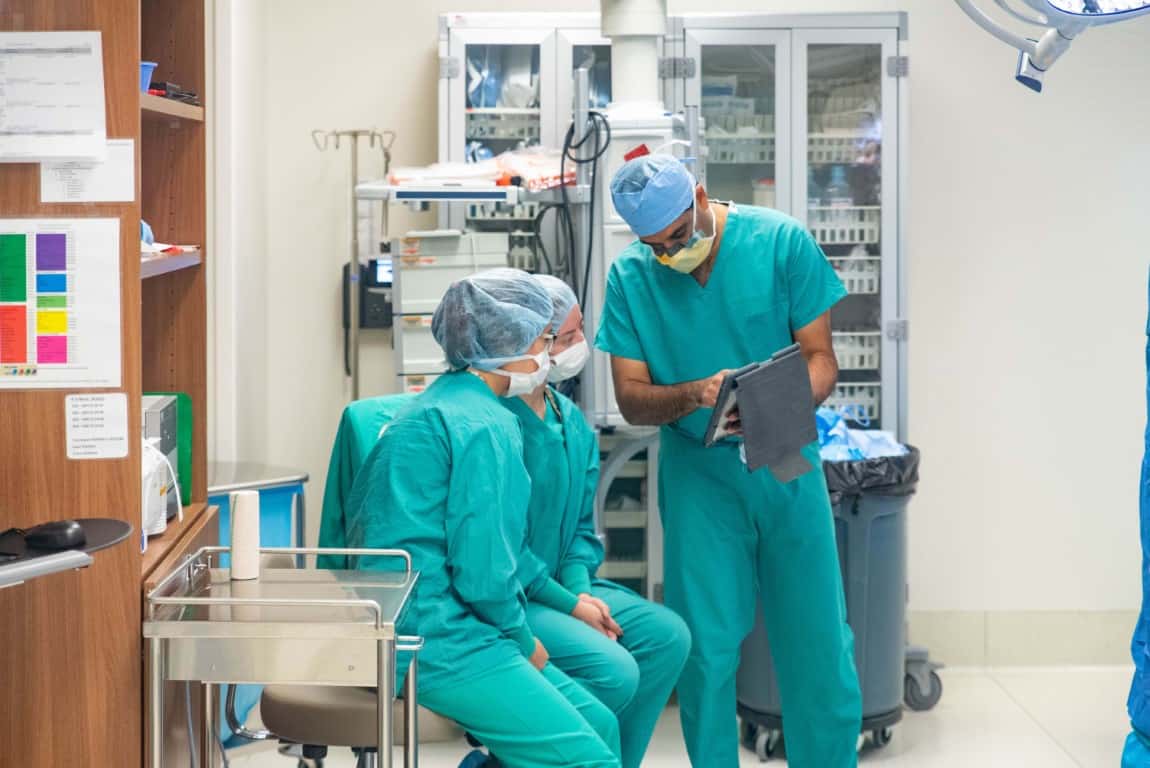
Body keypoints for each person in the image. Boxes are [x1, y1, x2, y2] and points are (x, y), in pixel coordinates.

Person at [595, 154, 862, 767]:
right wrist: (694, 393)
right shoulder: (632, 278)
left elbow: (821, 357)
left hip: (785, 458)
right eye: (656, 246)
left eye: (679, 236)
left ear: (701, 194)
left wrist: (773, 403)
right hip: (699, 475)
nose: (671, 254)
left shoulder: (779, 242)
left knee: (818, 642)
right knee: (705, 651)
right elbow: (632, 397)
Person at [345, 268, 621, 768]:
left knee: (601, 722)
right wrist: (523, 640)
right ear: (508, 344)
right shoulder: (486, 426)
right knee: (589, 759)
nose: (546, 357)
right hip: (435, 636)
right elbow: (483, 571)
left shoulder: (444, 402)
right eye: (542, 341)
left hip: (441, 617)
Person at [500, 274, 691, 768]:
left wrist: (582, 592)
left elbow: (582, 534)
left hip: (566, 586)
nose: (578, 347)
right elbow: (499, 550)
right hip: (515, 595)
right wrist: (572, 605)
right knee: (614, 667)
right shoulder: (497, 424)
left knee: (667, 636)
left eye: (580, 331)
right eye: (564, 339)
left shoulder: (570, 421)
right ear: (530, 341)